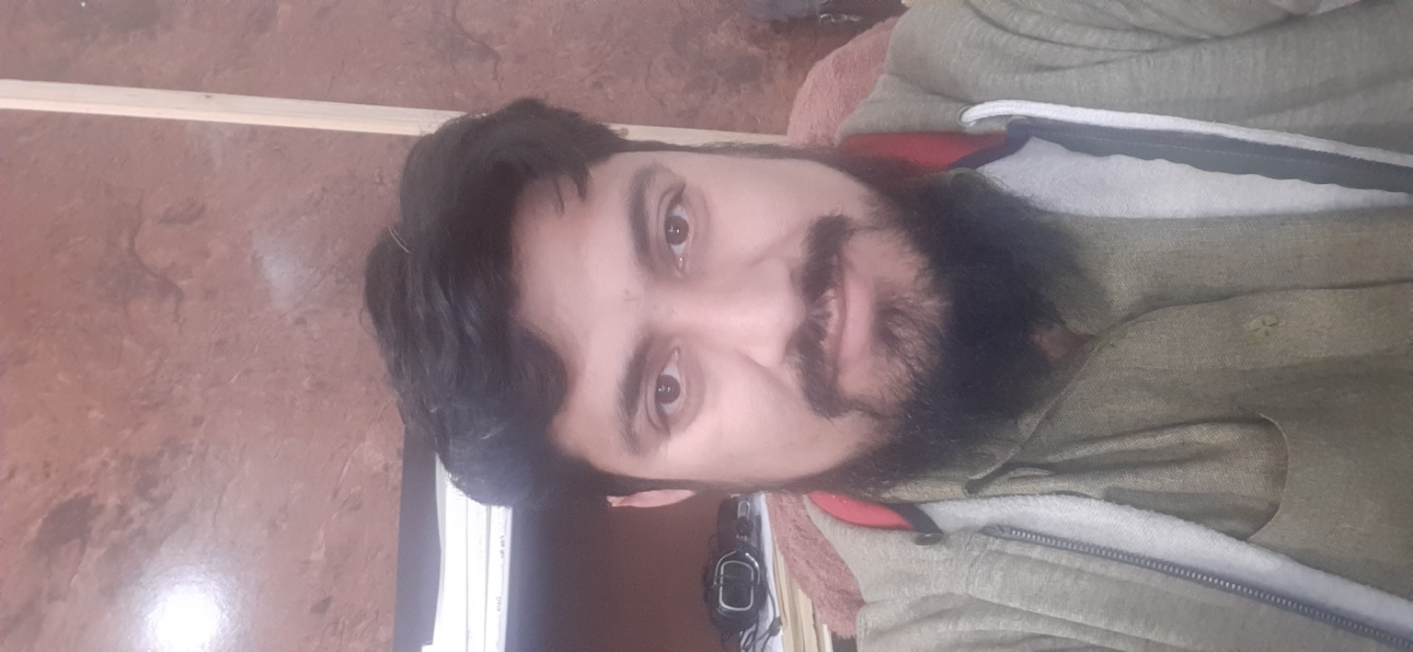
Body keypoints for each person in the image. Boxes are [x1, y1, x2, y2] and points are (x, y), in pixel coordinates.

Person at [364, 1, 1413, 649]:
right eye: (665, 389)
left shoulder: (1025, 27)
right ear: (658, 490)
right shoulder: (981, 627)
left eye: (676, 226)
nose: (772, 307)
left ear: (689, 153)